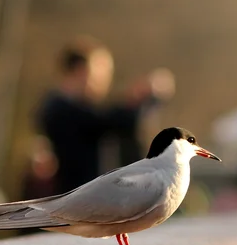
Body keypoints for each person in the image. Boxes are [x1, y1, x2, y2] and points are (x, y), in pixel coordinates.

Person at [34, 37, 174, 195]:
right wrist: (144, 99)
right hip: (77, 204)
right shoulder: (61, 109)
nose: (106, 79)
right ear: (81, 70)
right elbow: (111, 121)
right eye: (102, 71)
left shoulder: (61, 106)